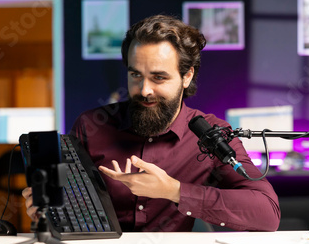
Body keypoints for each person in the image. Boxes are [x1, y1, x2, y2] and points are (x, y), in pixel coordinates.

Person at [23, 14, 280, 232]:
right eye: (136, 75)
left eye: (158, 77)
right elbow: (71, 209)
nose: (144, 90)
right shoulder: (91, 125)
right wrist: (48, 211)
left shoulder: (212, 135)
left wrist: (176, 191)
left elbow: (267, 212)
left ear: (187, 76)